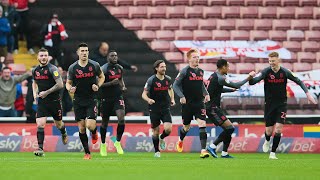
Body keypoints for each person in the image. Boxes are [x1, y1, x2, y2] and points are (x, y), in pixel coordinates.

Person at [249, 52, 317, 159]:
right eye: (270, 61)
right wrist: (250, 77)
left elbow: (299, 81)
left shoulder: (285, 72)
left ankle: (273, 153)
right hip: (269, 104)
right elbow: (253, 82)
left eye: (273, 61)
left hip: (282, 104)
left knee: (279, 129)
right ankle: (267, 140)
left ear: (278, 60)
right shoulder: (266, 71)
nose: (271, 63)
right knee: (269, 131)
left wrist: (307, 94)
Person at [206, 59, 256, 158]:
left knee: (228, 129)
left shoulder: (214, 75)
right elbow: (236, 84)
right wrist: (249, 77)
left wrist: (230, 90)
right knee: (230, 128)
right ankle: (212, 146)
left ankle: (224, 153)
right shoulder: (220, 77)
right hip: (212, 108)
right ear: (223, 67)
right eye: (228, 66)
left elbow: (217, 89)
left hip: (213, 107)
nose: (229, 68)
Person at [66, 42, 105, 160]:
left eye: (86, 51)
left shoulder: (94, 65)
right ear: (78, 53)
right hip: (78, 100)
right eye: (82, 51)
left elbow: (102, 77)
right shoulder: (73, 68)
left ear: (88, 52)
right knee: (81, 128)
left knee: (90, 125)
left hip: (91, 99)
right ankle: (87, 153)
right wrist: (70, 89)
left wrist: (97, 85)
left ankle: (94, 132)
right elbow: (68, 83)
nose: (84, 53)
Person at [173, 49, 210, 158]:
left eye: (198, 57)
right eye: (194, 57)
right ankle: (180, 140)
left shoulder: (201, 71)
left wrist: (206, 93)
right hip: (187, 104)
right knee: (186, 127)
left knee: (202, 124)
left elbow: (201, 84)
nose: (197, 59)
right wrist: (181, 96)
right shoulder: (184, 71)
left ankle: (203, 150)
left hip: (199, 103)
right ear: (189, 59)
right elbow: (175, 85)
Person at [32, 48, 68, 157]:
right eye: (41, 55)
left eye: (45, 55)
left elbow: (60, 84)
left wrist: (46, 92)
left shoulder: (53, 69)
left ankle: (63, 132)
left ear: (48, 57)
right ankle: (40, 148)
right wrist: (35, 94)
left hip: (54, 102)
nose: (43, 58)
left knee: (58, 124)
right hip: (42, 102)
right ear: (38, 57)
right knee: (40, 124)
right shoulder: (35, 70)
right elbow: (34, 82)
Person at [142, 60, 175, 157]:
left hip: (165, 108)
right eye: (162, 67)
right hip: (154, 109)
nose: (164, 68)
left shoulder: (168, 79)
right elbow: (143, 94)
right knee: (155, 131)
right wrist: (148, 100)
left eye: (165, 66)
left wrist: (172, 99)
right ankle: (157, 151)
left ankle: (162, 137)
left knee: (168, 129)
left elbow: (170, 89)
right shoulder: (151, 80)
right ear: (156, 68)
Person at [98, 50, 127, 156]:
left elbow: (121, 79)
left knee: (121, 119)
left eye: (116, 55)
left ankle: (118, 142)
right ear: (107, 57)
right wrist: (110, 83)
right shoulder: (103, 69)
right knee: (105, 122)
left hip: (117, 97)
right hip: (105, 98)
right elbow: (98, 84)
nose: (115, 57)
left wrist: (123, 86)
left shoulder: (120, 68)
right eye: (112, 56)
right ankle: (103, 144)